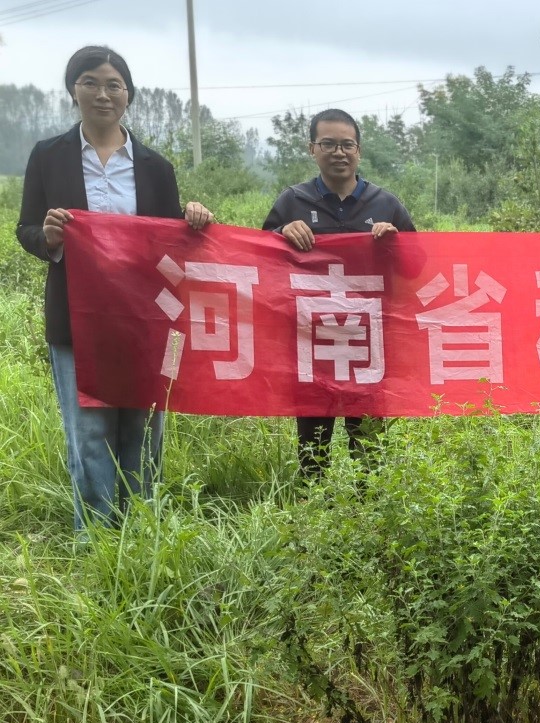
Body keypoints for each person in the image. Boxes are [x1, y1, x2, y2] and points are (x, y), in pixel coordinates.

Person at [16, 45, 214, 533]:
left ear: (128, 95)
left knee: (143, 426)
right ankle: (97, 539)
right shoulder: (48, 156)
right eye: (90, 82)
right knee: (88, 429)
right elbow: (26, 229)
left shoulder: (155, 167)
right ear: (73, 90)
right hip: (76, 317)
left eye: (114, 85)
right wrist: (49, 238)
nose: (102, 94)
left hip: (145, 318)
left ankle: (141, 530)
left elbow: (171, 243)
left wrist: (194, 219)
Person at [263, 108, 416, 479]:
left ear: (359, 151)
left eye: (347, 145)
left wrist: (395, 244)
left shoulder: (385, 204)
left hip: (368, 342)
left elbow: (417, 266)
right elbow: (260, 262)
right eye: (328, 144)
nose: (338, 152)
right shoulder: (293, 201)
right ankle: (314, 507)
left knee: (369, 444)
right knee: (313, 443)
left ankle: (371, 508)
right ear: (312, 149)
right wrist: (281, 233)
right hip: (311, 341)